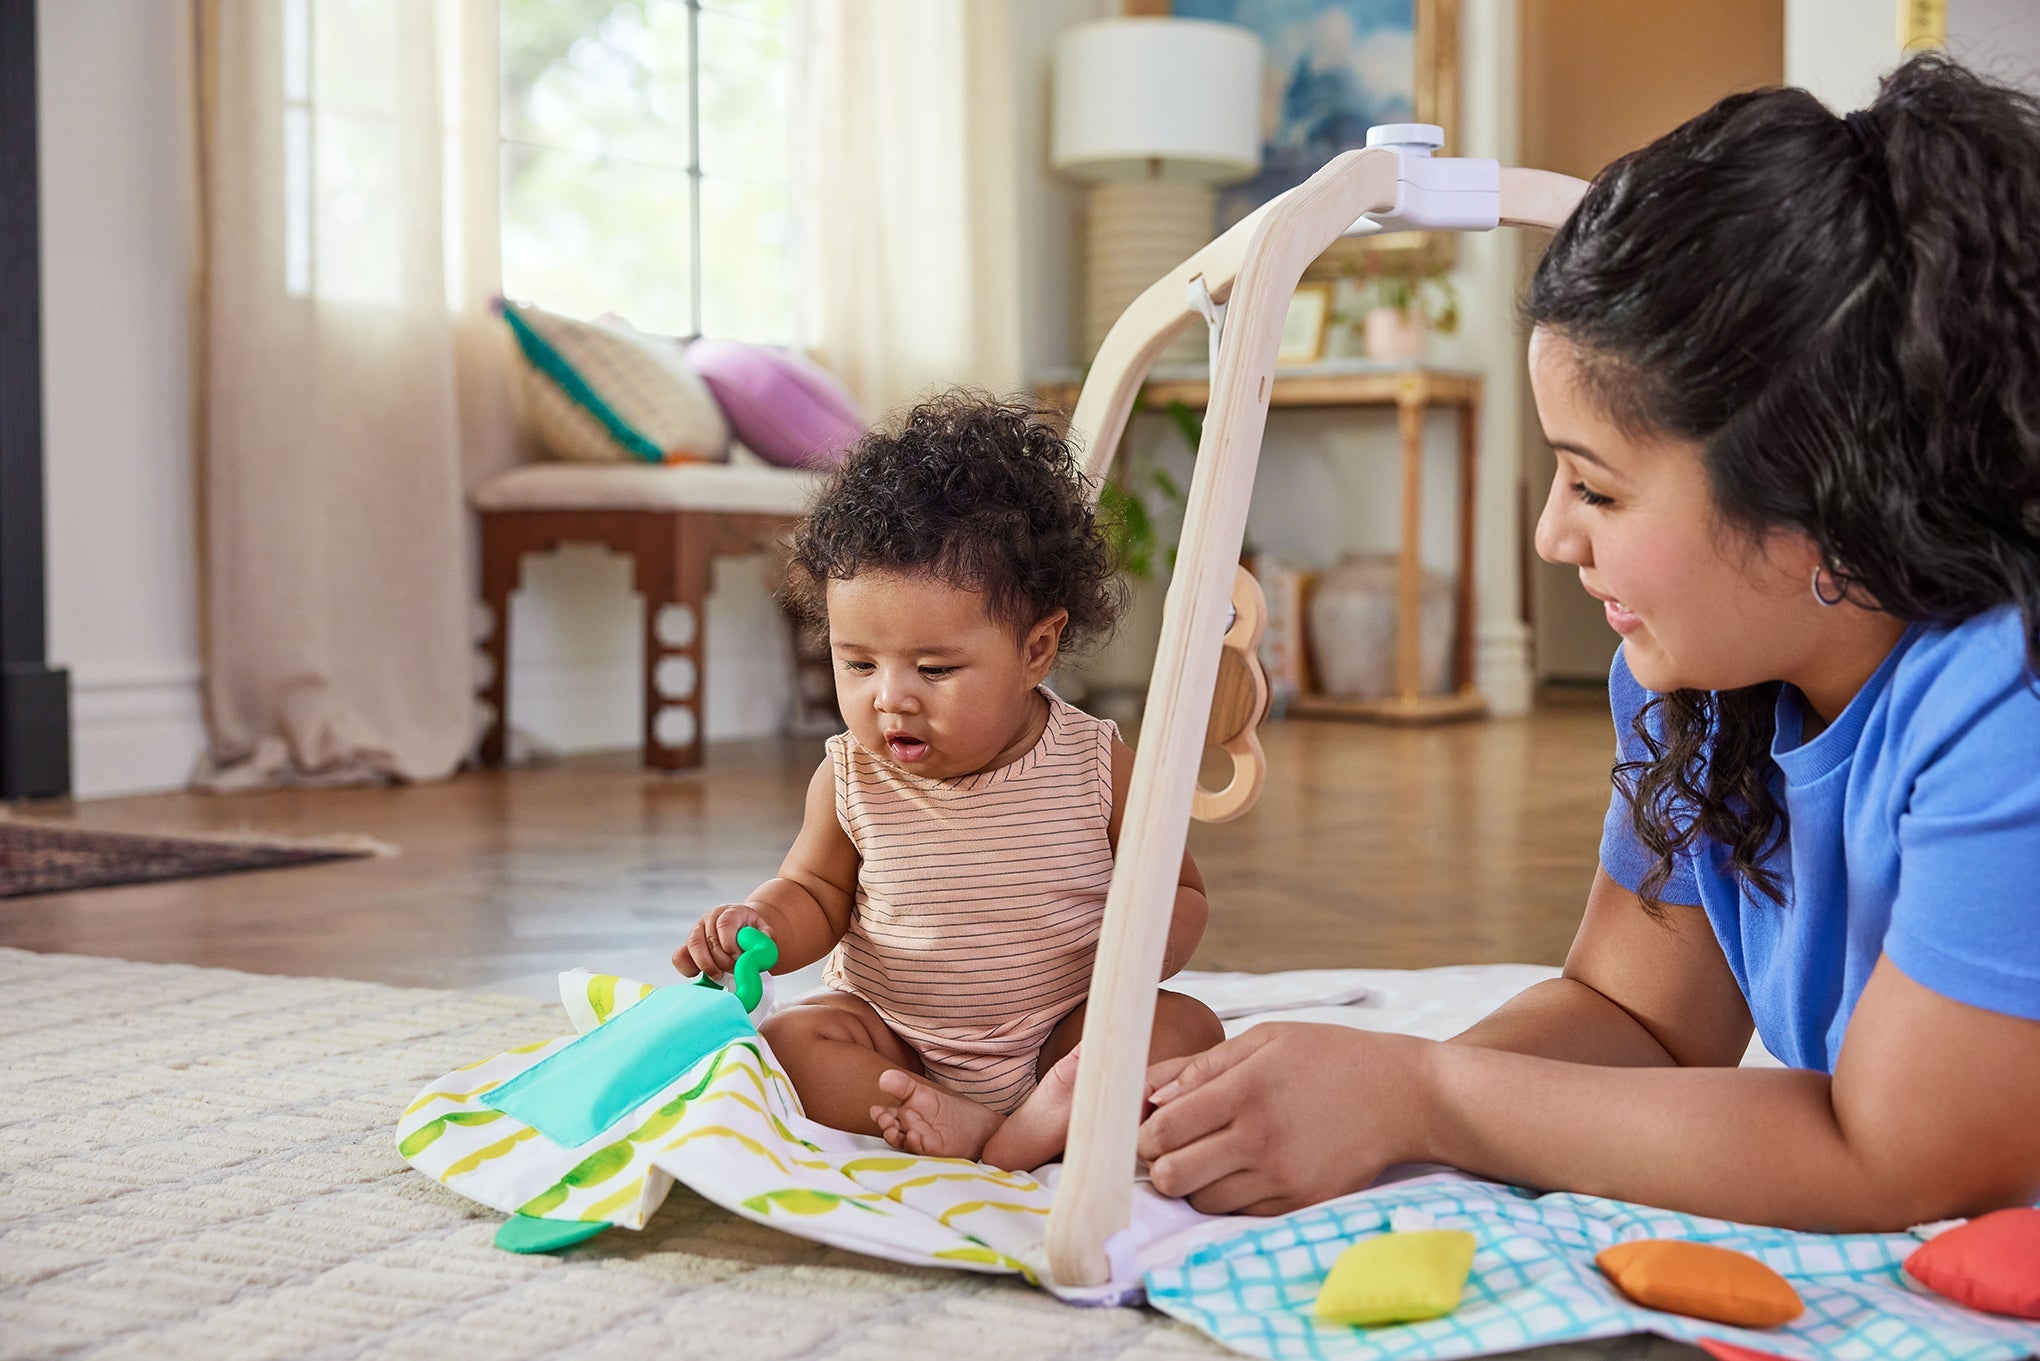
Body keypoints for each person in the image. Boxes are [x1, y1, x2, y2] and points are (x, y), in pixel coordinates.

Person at [1137, 52, 2040, 1228]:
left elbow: (1899, 1158)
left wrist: (1433, 1093)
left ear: (1820, 498)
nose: (1552, 534)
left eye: (1596, 489)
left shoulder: (2002, 712)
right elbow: (1640, 1018)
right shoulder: (1704, 681)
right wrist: (1296, 1099)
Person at [674, 393, 1223, 1172]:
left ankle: (1032, 1122)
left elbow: (1184, 891)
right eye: (858, 662)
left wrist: (1141, 948)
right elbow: (815, 893)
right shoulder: (850, 776)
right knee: (791, 1042)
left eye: (934, 669)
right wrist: (757, 923)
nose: (889, 695)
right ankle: (979, 1125)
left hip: (1062, 1035)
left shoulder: (1096, 764)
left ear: (1037, 649)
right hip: (897, 1041)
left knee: (1186, 1033)